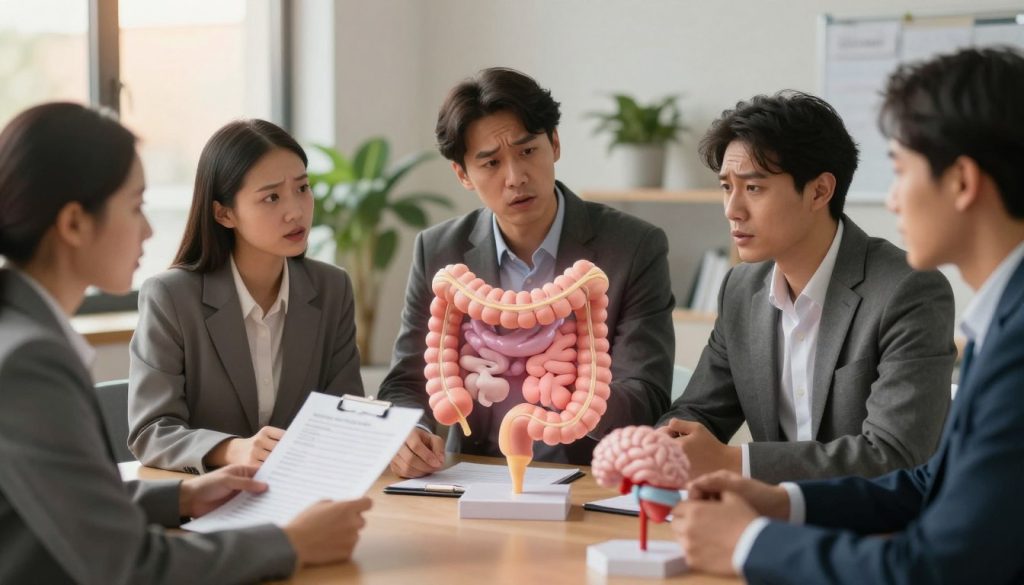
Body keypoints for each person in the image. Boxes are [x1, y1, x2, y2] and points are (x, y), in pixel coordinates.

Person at [672, 47, 1024, 584]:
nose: (892, 200)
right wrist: (779, 502)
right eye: (727, 187)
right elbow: (931, 483)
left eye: (901, 171)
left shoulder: (996, 330)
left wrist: (748, 542)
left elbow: (934, 563)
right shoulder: (999, 319)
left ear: (962, 182)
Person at [0, 102, 371, 584]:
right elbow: (132, 566)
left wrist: (181, 498)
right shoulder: (29, 360)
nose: (149, 229)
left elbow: (64, 499)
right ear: (74, 223)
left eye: (302, 188)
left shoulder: (20, 337)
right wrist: (291, 544)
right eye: (135, 207)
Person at [378, 67, 675, 476]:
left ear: (554, 143)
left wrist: (568, 388)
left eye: (527, 151)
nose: (515, 177)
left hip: (585, 479)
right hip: (470, 473)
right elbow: (407, 382)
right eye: (491, 163)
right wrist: (407, 433)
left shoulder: (633, 246)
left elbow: (647, 393)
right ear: (463, 175)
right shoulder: (439, 250)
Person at [656, 90, 956, 482]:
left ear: (819, 191)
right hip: (768, 516)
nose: (732, 210)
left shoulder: (909, 289)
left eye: (754, 188)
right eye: (727, 187)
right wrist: (661, 442)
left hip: (875, 528)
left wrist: (732, 462)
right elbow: (700, 412)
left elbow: (894, 454)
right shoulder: (741, 289)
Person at [128, 119, 363, 474]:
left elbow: (347, 413)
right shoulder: (172, 298)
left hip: (306, 495)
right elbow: (151, 431)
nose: (296, 211)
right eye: (271, 197)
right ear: (224, 213)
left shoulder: (332, 289)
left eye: (302, 188)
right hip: (207, 504)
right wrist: (232, 450)